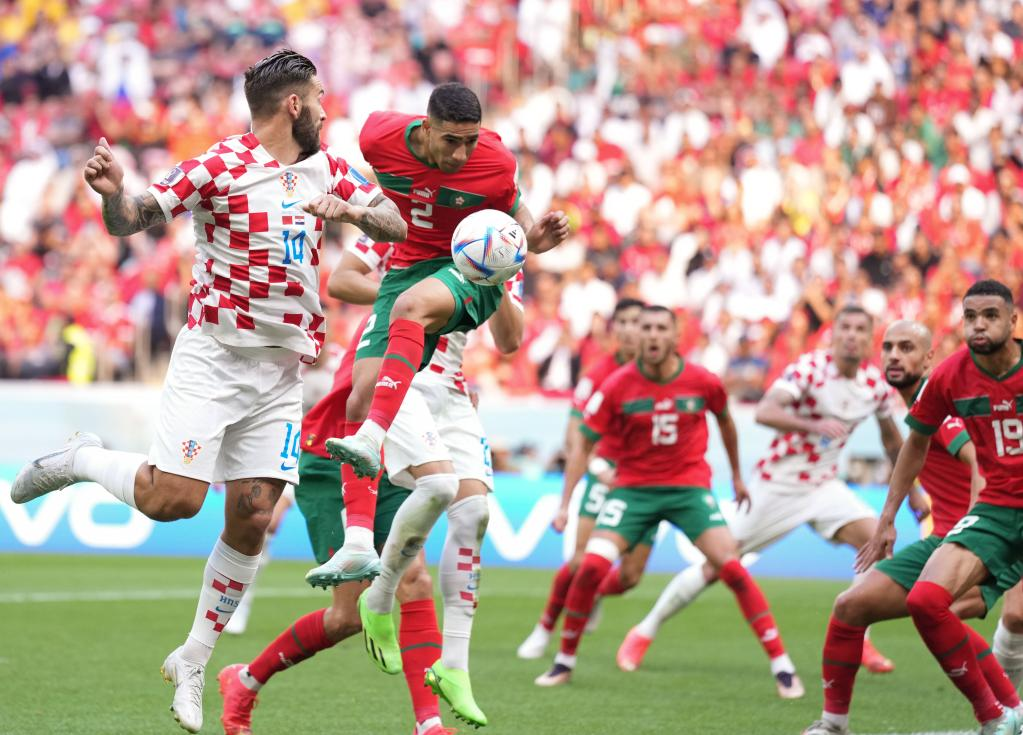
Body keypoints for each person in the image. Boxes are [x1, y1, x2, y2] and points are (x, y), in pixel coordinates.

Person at [8, 49, 405, 733]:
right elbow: (133, 218)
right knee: (175, 501)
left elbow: (395, 223)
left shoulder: (332, 168)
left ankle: (193, 658)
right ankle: (80, 459)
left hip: (281, 371)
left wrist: (350, 212)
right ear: (293, 105)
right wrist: (111, 193)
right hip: (214, 359)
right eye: (317, 98)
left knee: (252, 512)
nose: (324, 110)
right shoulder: (218, 165)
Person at [220, 232, 521, 734]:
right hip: (335, 454)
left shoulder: (458, 306)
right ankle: (246, 680)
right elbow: (358, 400)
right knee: (346, 617)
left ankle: (429, 725)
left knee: (415, 579)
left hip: (399, 448)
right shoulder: (394, 319)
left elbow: (507, 340)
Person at [309, 82, 569, 588]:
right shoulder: (378, 135)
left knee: (411, 308)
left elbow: (518, 214)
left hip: (470, 268)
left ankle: (374, 440)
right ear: (426, 128)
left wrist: (533, 240)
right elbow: (344, 261)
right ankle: (358, 543)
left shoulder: (495, 161)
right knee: (359, 396)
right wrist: (354, 209)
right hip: (406, 266)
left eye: (470, 141)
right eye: (452, 141)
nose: (462, 154)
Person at [616, 305, 923, 676]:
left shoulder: (874, 385)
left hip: (824, 486)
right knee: (719, 564)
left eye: (861, 329)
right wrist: (812, 425)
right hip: (778, 483)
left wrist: (914, 493)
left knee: (876, 542)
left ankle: (859, 640)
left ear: (869, 338)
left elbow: (892, 441)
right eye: (846, 328)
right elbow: (765, 411)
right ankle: (643, 631)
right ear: (834, 333)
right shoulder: (810, 369)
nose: (852, 336)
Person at [533, 305, 803, 698]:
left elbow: (726, 422)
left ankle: (782, 665)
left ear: (676, 336)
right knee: (591, 566)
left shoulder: (702, 380)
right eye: (647, 328)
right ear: (638, 336)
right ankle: (563, 661)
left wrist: (737, 476)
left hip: (687, 490)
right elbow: (583, 444)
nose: (653, 335)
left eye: (661, 328)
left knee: (731, 566)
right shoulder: (617, 385)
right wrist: (564, 503)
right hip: (633, 490)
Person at [802, 319, 1021, 735]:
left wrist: (974, 529)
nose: (894, 356)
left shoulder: (938, 403)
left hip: (981, 536)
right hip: (944, 538)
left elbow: (977, 461)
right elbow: (911, 453)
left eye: (906, 348)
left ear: (928, 358)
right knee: (850, 607)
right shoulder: (918, 407)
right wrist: (908, 504)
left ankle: (1003, 714)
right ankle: (832, 725)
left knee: (942, 613)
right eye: (888, 347)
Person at [857, 279, 1023, 735]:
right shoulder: (950, 376)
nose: (979, 325)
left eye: (990, 316)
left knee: (1016, 615)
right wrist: (888, 517)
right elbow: (913, 444)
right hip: (997, 509)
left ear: (1012, 321)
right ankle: (997, 718)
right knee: (925, 601)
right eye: (970, 317)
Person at [517, 298, 646, 660]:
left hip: (646, 482)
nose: (630, 330)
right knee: (579, 561)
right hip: (606, 475)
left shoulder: (658, 372)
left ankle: (594, 594)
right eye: (624, 322)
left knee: (630, 577)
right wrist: (586, 476)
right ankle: (544, 628)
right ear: (615, 329)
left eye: (637, 322)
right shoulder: (598, 374)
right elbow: (576, 434)